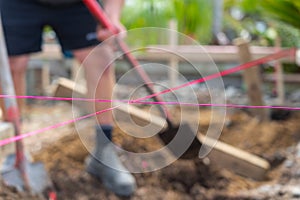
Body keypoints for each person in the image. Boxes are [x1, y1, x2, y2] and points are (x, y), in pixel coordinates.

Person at [0, 0, 136, 197]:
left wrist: (111, 16)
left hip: (78, 4)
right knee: (11, 64)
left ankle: (104, 151)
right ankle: (16, 152)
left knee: (101, 58)